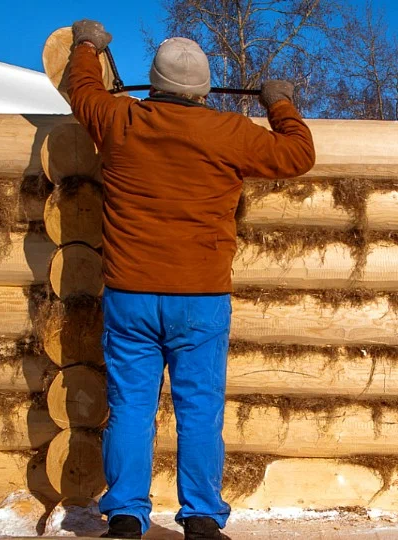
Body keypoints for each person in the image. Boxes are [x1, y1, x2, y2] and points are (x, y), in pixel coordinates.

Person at [67, 20, 316, 540]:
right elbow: (298, 154)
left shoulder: (119, 118)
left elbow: (83, 89)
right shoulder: (228, 132)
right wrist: (280, 102)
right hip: (200, 299)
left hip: (130, 296)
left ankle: (126, 516)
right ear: (203, 90)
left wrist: (87, 45)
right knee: (199, 409)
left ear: (155, 84)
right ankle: (201, 517)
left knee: (131, 407)